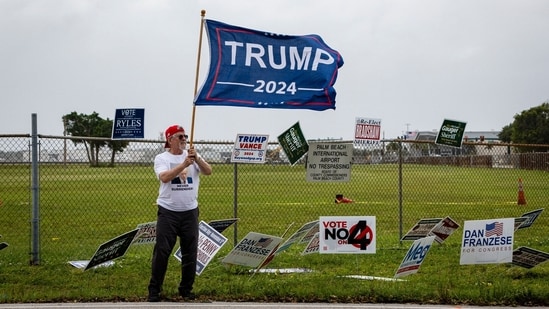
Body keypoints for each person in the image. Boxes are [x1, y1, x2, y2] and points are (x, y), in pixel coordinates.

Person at [147, 125, 212, 302]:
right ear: (170, 140)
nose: (184, 139)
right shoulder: (162, 158)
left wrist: (196, 158)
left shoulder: (192, 155)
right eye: (180, 136)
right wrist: (184, 165)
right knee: (162, 251)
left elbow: (208, 171)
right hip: (168, 212)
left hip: (190, 212)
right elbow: (165, 177)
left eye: (185, 136)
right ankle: (154, 290)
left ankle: (186, 290)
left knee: (190, 252)